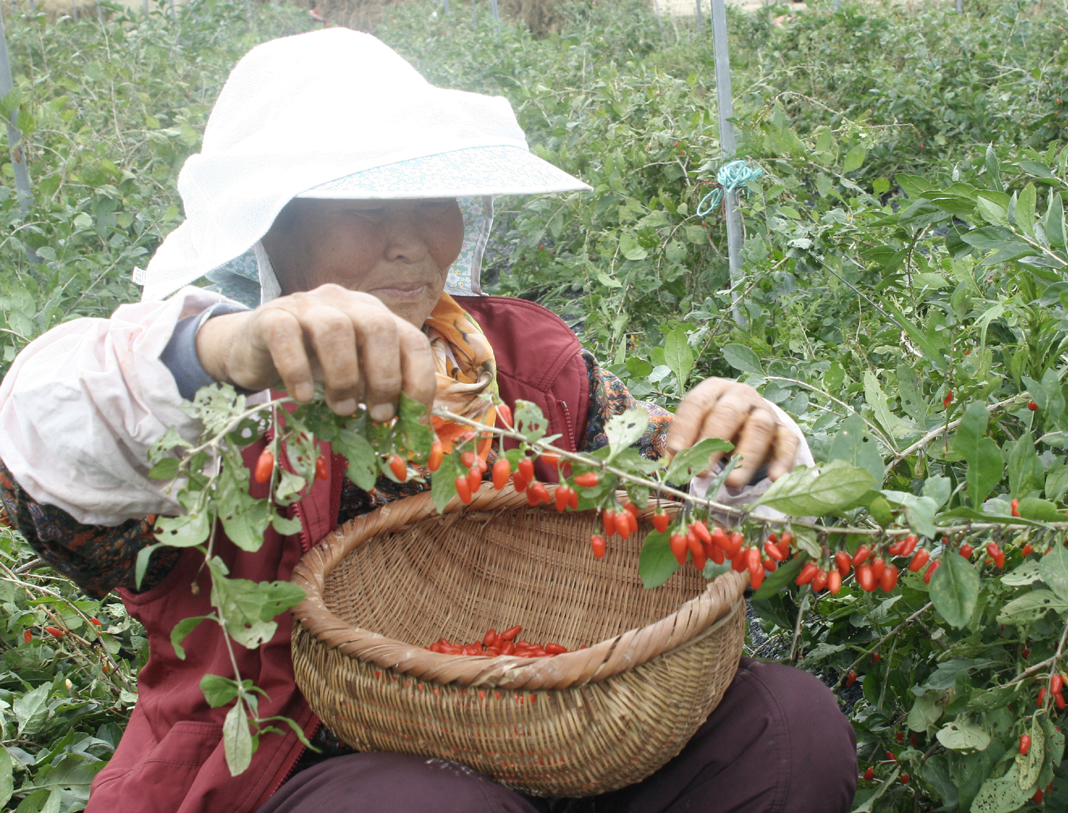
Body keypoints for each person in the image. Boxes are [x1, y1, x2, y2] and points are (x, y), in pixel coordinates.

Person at [0, 29, 858, 813]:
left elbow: (673, 494)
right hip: (295, 774)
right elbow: (41, 448)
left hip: (554, 738)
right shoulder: (215, 406)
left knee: (786, 727)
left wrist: (739, 451)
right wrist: (229, 351)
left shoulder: (517, 361)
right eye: (364, 208)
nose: (411, 240)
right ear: (272, 228)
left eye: (431, 198)